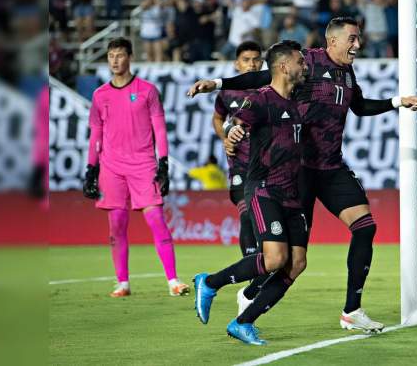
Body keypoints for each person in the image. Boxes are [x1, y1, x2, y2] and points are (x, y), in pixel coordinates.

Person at [186, 17, 417, 333]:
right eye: (352, 38)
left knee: (365, 226)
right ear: (334, 41)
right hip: (297, 172)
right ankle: (248, 295)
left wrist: (397, 102)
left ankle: (352, 311)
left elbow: (361, 106)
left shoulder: (347, 72)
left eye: (359, 38)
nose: (358, 44)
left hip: (330, 167)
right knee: (291, 261)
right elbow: (263, 76)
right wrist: (219, 84)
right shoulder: (307, 61)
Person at [193, 40, 309, 345]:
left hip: (292, 192)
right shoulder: (259, 100)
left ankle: (243, 322)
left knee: (296, 263)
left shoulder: (300, 95)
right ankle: (211, 282)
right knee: (274, 259)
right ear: (285, 66)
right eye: (300, 61)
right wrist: (232, 135)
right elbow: (237, 124)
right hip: (264, 188)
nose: (305, 66)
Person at [82, 37, 190, 298]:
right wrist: (90, 169)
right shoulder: (100, 95)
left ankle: (173, 281)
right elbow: (95, 134)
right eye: (111, 56)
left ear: (130, 57)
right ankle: (123, 283)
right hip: (111, 167)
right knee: (116, 224)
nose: (115, 61)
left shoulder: (147, 90)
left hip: (143, 165)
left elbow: (160, 130)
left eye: (120, 55)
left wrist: (163, 163)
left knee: (155, 219)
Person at [212, 41, 265, 257]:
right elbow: (217, 118)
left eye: (255, 60)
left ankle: (267, 264)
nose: (251, 64)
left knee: (266, 218)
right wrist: (225, 136)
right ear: (237, 64)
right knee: (246, 214)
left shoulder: (272, 89)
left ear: (262, 63)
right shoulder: (227, 92)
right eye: (246, 60)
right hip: (240, 166)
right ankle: (251, 266)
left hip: (269, 165)